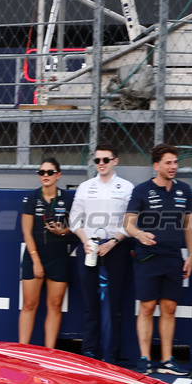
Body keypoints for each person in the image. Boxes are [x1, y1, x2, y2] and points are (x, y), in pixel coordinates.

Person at [124, 144, 192, 375]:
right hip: (148, 258)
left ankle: (167, 359)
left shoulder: (184, 190)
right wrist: (139, 234)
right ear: (156, 166)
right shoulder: (141, 190)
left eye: (175, 162)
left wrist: (191, 255)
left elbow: (190, 225)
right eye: (168, 162)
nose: (173, 166)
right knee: (146, 308)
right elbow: (128, 224)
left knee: (169, 308)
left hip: (174, 257)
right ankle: (145, 358)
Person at [69, 144, 134, 366]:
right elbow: (74, 219)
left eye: (106, 159)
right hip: (89, 249)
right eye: (98, 160)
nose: (102, 164)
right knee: (90, 304)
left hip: (115, 249)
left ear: (115, 160)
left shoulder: (126, 187)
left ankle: (111, 356)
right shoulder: (86, 187)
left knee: (113, 306)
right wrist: (85, 240)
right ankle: (88, 353)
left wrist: (116, 240)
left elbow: (131, 221)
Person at [18, 157, 74, 348]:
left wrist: (63, 231)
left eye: (50, 172)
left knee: (55, 306)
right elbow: (26, 232)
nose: (45, 176)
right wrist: (36, 261)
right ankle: (23, 349)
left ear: (58, 175)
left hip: (58, 256)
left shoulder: (68, 198)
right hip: (35, 256)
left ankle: (49, 352)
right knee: (29, 305)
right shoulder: (32, 198)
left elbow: (75, 228)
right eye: (42, 172)